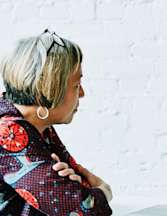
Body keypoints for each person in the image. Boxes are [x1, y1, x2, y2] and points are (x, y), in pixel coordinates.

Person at [0, 30, 113, 215]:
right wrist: (104, 190)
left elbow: (76, 186)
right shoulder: (8, 132)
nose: (82, 93)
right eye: (76, 85)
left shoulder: (37, 126)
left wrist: (76, 189)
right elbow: (82, 208)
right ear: (47, 90)